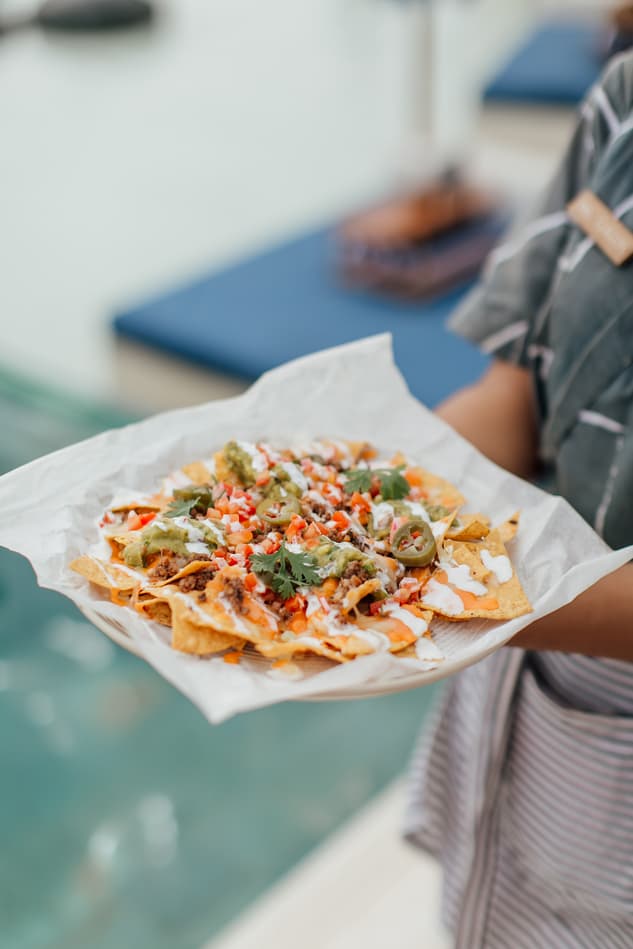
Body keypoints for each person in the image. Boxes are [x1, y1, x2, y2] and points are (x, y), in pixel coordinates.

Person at [405, 51, 633, 949]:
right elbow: (519, 386)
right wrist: (367, 501)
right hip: (541, 682)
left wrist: (457, 594)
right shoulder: (624, 99)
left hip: (549, 612)